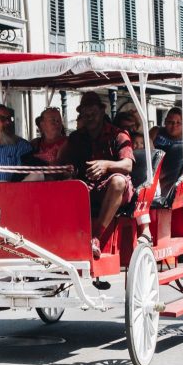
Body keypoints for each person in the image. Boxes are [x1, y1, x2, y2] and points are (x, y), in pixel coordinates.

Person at [63, 92, 134, 259]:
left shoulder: (119, 134)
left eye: (93, 113)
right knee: (64, 185)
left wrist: (107, 166)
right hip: (86, 186)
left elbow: (128, 165)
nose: (89, 117)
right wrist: (65, 170)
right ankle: (65, 236)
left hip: (115, 189)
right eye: (85, 114)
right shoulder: (76, 138)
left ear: (102, 112)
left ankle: (96, 237)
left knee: (117, 182)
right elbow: (63, 163)